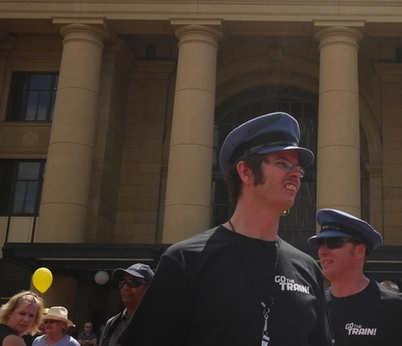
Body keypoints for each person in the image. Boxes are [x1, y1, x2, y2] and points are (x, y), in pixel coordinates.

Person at [119, 112, 332, 346]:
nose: (295, 173)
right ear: (246, 172)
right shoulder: (186, 260)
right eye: (282, 163)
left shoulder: (308, 269)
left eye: (298, 168)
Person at [308, 208, 402, 346]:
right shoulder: (315, 306)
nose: (322, 251)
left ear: (359, 251)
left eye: (334, 242)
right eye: (321, 243)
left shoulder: (396, 305)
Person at [99, 263, 153, 346]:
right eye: (122, 283)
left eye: (133, 282)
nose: (125, 287)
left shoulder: (161, 323)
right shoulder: (112, 324)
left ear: (149, 288)